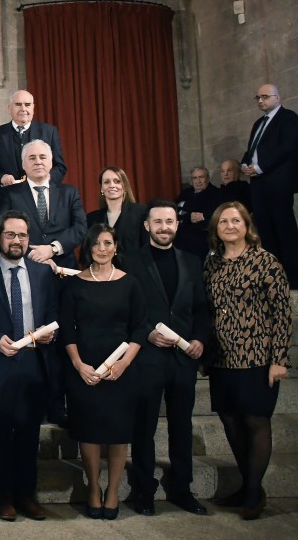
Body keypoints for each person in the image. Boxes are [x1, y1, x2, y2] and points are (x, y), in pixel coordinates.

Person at [203, 201, 291, 520]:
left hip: (257, 355)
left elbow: (282, 312)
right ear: (216, 229)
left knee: (255, 421)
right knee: (229, 421)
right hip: (221, 358)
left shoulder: (266, 262)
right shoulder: (211, 264)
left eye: (235, 220)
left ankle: (253, 494)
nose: (229, 225)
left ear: (246, 226)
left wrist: (279, 358)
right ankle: (249, 484)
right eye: (223, 221)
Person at [122, 200, 210, 516]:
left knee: (181, 427)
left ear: (177, 225)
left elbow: (201, 309)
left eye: (169, 221)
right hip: (147, 358)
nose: (164, 227)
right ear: (147, 226)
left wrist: (200, 339)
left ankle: (181, 489)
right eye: (157, 222)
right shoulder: (130, 261)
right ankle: (144, 491)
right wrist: (146, 333)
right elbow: (126, 310)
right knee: (143, 428)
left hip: (183, 358)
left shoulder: (192, 261)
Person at [0, 210, 58, 522]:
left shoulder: (42, 274)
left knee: (28, 434)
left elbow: (53, 313)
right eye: (10, 234)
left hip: (34, 365)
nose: (17, 240)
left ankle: (27, 495)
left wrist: (51, 332)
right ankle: (2, 496)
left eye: (22, 235)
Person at [59, 224, 145, 521]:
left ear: (116, 247)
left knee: (118, 435)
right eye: (96, 243)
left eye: (108, 243)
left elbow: (139, 329)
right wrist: (78, 364)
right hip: (85, 370)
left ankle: (113, 491)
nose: (102, 248)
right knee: (90, 434)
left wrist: (124, 363)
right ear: (88, 247)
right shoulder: (74, 285)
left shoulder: (130, 283)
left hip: (120, 370)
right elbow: (67, 330)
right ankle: (94, 488)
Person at [0, 139, 86, 268]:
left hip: (64, 268)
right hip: (25, 265)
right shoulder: (8, 194)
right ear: (23, 164)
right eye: (32, 158)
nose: (38, 162)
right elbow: (3, 230)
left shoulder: (69, 193)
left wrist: (53, 248)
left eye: (43, 157)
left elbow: (80, 227)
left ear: (51, 162)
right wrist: (35, 254)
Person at [239, 83, 298, 286]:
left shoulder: (288, 118)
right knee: (265, 230)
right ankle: (274, 275)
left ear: (277, 98)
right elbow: (251, 149)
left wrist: (261, 167)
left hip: (278, 182)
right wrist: (245, 164)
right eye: (258, 97)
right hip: (258, 184)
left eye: (265, 96)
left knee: (284, 228)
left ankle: (293, 276)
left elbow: (288, 148)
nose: (261, 100)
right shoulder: (258, 123)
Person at [0, 89, 67, 187]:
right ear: (9, 108)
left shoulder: (49, 132)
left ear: (33, 108)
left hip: (41, 195)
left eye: (27, 105)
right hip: (8, 196)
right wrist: (1, 178)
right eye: (18, 104)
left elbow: (60, 167)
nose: (23, 109)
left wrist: (46, 178)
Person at [86, 166, 148, 252]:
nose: (112, 185)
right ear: (101, 189)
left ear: (125, 187)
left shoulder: (141, 212)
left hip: (133, 265)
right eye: (106, 182)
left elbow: (146, 246)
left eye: (117, 181)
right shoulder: (91, 218)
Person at [174, 166, 221, 259]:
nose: (198, 181)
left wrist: (184, 215)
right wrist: (188, 217)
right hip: (181, 230)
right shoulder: (186, 192)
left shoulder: (215, 194)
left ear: (207, 178)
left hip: (201, 235)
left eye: (201, 177)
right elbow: (174, 210)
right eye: (195, 178)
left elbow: (208, 216)